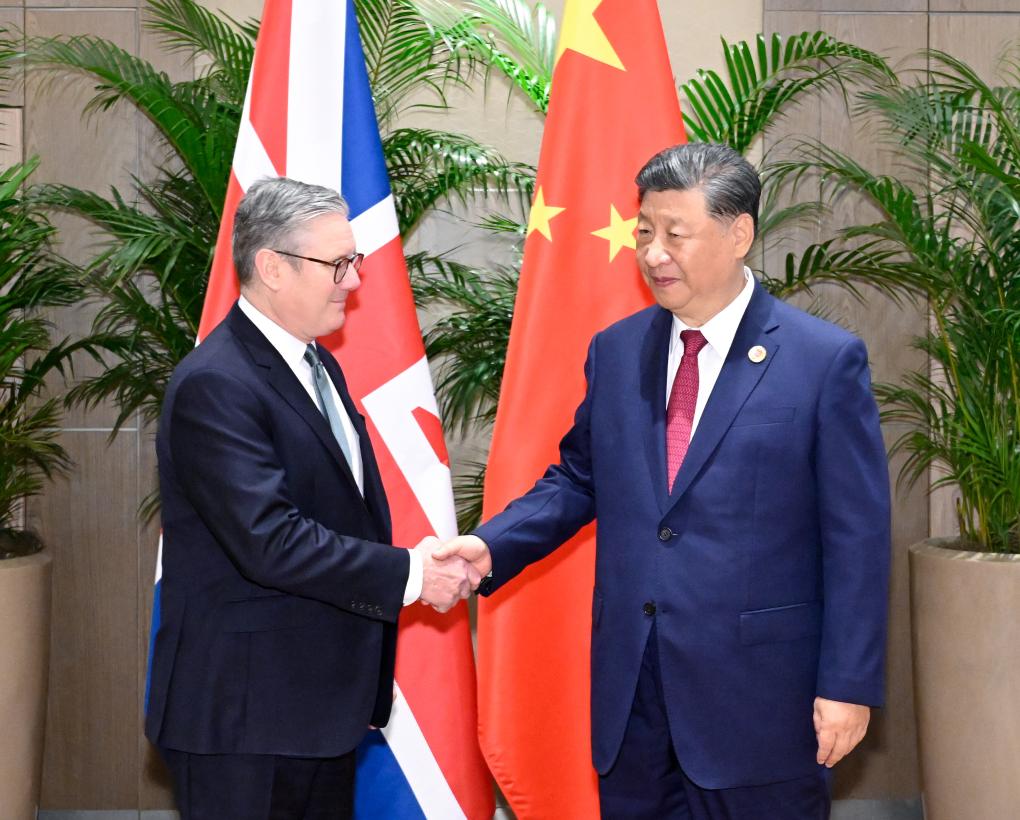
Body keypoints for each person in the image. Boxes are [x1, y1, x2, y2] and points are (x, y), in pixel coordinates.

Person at [436, 143, 891, 819]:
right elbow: (579, 478)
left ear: (740, 234)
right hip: (635, 697)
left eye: (676, 234)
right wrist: (493, 545)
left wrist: (847, 684)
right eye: (645, 231)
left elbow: (858, 539)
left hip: (761, 703)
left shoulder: (822, 362)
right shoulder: (617, 351)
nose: (653, 252)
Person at [146, 177, 477, 819]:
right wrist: (412, 574)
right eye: (339, 264)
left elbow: (340, 511)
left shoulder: (316, 363)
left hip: (318, 709)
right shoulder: (218, 385)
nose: (354, 281)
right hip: (245, 720)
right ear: (271, 267)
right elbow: (270, 542)